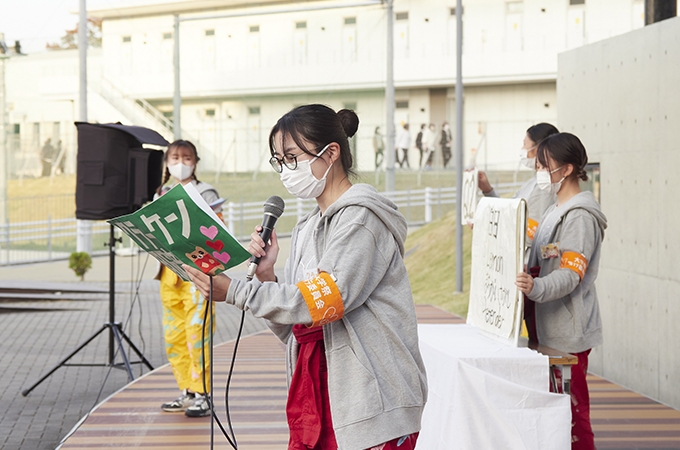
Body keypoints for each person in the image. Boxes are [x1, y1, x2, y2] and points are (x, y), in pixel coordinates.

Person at [185, 104, 427, 450]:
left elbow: (327, 299)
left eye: (292, 157)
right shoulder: (305, 228)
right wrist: (267, 276)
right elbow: (297, 329)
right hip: (315, 395)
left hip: (370, 399)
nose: (286, 170)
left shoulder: (361, 219)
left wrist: (236, 291)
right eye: (279, 161)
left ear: (331, 153)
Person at [515, 132, 607, 450]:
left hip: (567, 332)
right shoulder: (555, 210)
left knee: (573, 416)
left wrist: (536, 286)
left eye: (545, 165)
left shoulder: (580, 217)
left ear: (566, 169)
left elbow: (571, 275)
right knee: (558, 413)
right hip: (547, 327)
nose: (540, 171)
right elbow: (547, 255)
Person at [155, 139, 222, 418]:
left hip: (197, 274)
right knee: (175, 336)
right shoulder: (161, 193)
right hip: (169, 274)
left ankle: (203, 393)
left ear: (195, 162)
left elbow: (218, 232)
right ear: (166, 162)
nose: (180, 163)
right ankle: (187, 390)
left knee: (197, 334)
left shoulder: (206, 193)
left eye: (186, 157)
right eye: (174, 158)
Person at [478, 123, 559, 250]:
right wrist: (487, 190)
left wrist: (490, 228)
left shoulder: (544, 187)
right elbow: (508, 212)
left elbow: (531, 237)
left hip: (526, 260)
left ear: (539, 148)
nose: (522, 149)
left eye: (525, 144)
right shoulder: (533, 183)